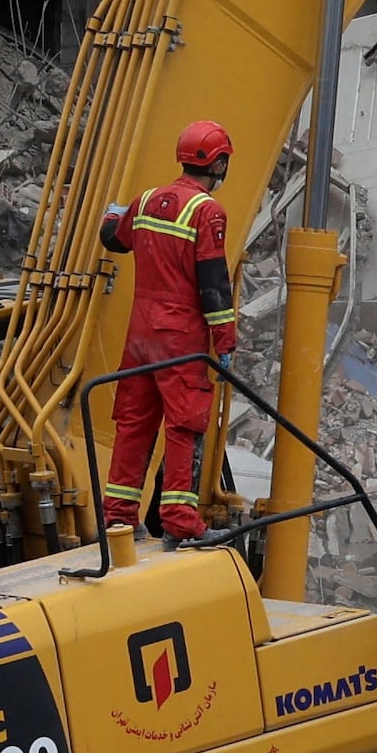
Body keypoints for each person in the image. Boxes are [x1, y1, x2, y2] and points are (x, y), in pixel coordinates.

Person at [102, 118, 240, 540]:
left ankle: (120, 519)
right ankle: (180, 523)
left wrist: (112, 211)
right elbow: (213, 284)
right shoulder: (207, 212)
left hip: (140, 336)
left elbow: (113, 238)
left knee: (134, 423)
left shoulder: (144, 202)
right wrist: (226, 342)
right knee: (183, 426)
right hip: (179, 338)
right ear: (216, 164)